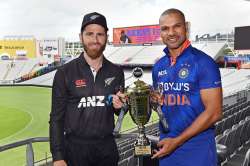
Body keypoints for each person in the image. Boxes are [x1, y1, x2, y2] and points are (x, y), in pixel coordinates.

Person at [49, 12, 125, 166]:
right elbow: (56, 119)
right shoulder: (64, 73)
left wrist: (122, 105)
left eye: (100, 34)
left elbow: (120, 109)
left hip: (107, 151)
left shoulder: (116, 72)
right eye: (89, 34)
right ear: (80, 37)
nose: (95, 39)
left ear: (106, 37)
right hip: (75, 152)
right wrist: (57, 156)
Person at [151, 8, 223, 166]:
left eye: (176, 26)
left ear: (186, 27)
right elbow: (163, 104)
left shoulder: (204, 63)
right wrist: (155, 101)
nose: (171, 33)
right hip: (166, 149)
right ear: (160, 32)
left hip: (197, 152)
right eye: (165, 28)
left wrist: (177, 141)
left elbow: (215, 113)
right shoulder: (158, 66)